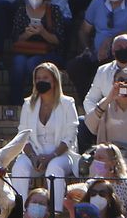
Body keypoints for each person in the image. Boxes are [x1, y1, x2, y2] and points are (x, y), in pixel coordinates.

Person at [12, 61, 78, 200]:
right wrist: (32, 157)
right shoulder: (28, 104)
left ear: (54, 81)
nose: (41, 81)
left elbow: (70, 135)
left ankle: (56, 210)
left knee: (54, 168)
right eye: (38, 78)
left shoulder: (67, 103)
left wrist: (52, 156)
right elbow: (22, 135)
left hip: (61, 154)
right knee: (19, 167)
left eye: (45, 78)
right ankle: (20, 210)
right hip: (35, 154)